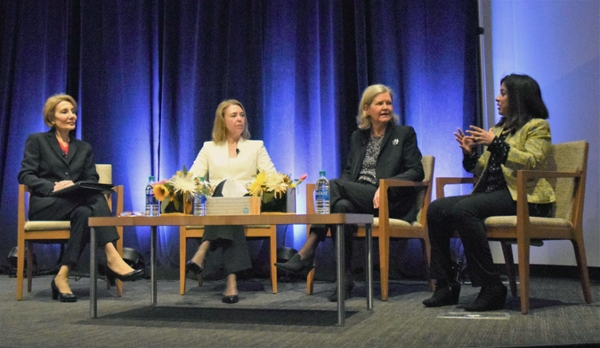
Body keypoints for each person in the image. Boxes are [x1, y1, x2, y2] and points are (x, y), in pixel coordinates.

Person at [274, 84, 425, 301]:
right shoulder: (358, 137)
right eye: (379, 103)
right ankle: (345, 279)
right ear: (367, 109)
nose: (385, 107)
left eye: (388, 103)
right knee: (339, 206)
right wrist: (344, 189)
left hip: (388, 200)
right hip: (360, 199)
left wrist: (386, 184)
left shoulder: (404, 134)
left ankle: (308, 249)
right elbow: (348, 173)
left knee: (333, 186)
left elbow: (417, 170)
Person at [423, 74, 555, 311]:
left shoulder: (537, 126)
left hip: (524, 197)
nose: (497, 97)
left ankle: (491, 285)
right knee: (436, 208)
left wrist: (495, 144)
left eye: (503, 93)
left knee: (465, 209)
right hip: (493, 195)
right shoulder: (499, 129)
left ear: (518, 97)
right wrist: (469, 154)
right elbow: (480, 168)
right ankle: (446, 284)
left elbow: (533, 162)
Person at [18, 94, 143, 303]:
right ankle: (112, 256)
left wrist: (75, 187)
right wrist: (54, 186)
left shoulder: (84, 148)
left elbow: (92, 178)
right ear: (51, 118)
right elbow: (25, 175)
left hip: (77, 205)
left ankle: (62, 275)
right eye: (64, 112)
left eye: (73, 112)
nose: (71, 116)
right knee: (93, 199)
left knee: (85, 211)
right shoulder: (37, 141)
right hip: (47, 205)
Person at [188, 99, 276, 304]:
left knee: (232, 199)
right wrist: (208, 187)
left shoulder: (256, 147)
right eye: (234, 116)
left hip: (245, 201)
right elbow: (194, 177)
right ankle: (231, 282)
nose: (239, 119)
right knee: (226, 202)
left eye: (242, 115)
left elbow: (271, 176)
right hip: (217, 204)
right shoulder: (209, 148)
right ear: (222, 121)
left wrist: (248, 186)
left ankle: (204, 247)